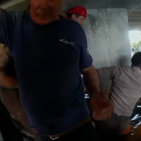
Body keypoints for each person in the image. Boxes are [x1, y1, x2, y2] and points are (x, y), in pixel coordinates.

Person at [0, 0, 113, 141]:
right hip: (44, 135)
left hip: (80, 129)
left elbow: (88, 69)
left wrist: (95, 92)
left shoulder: (74, 30)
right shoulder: (14, 25)